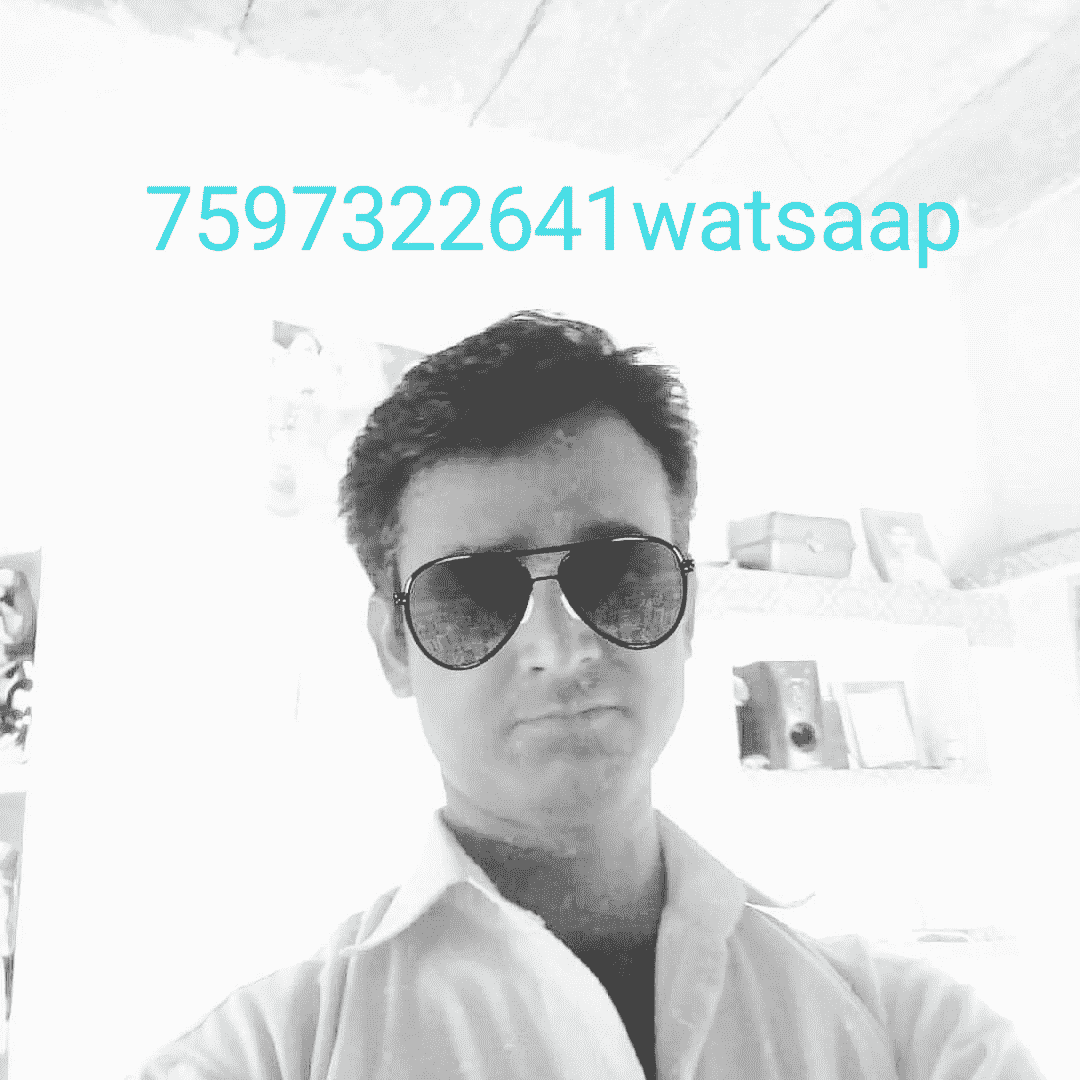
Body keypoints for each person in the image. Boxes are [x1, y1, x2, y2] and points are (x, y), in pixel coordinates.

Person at [133, 312, 1045, 1080]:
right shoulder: (268, 1056)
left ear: (688, 611)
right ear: (394, 647)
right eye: (471, 594)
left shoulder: (914, 1039)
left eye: (618, 574)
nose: (561, 645)